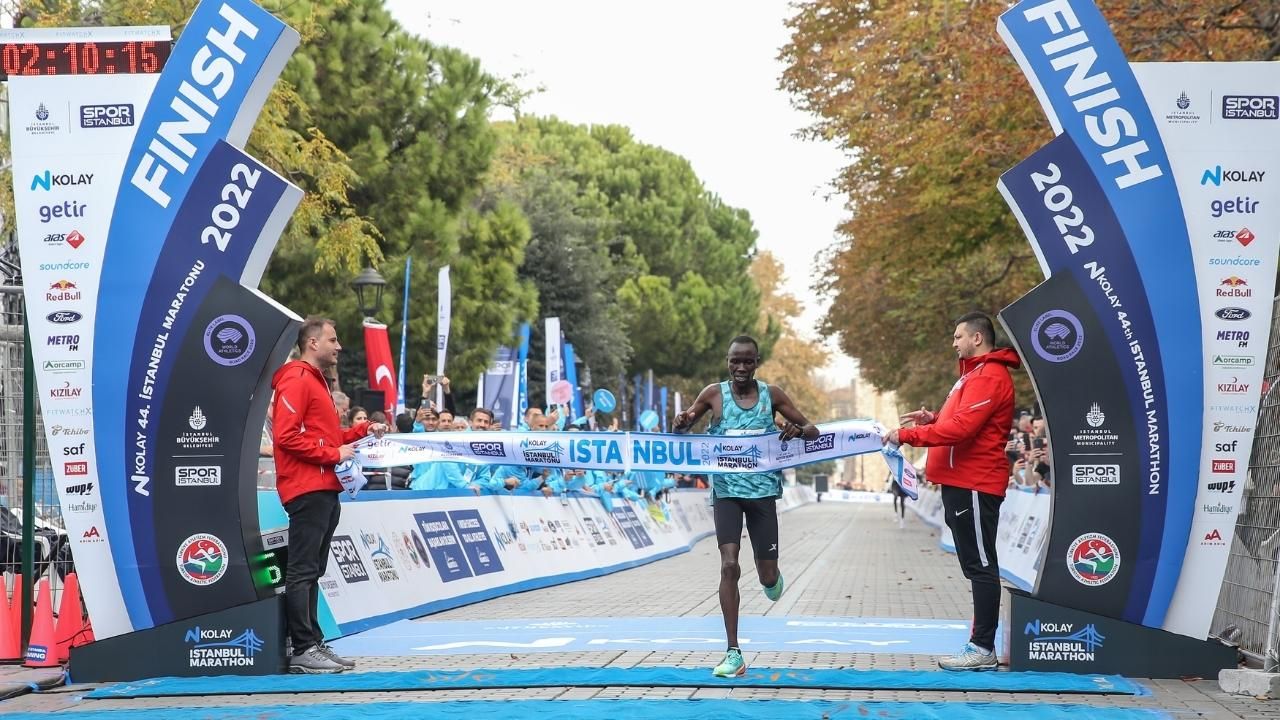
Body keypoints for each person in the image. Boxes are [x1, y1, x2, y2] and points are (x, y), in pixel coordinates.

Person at [672, 335, 818, 678]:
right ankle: (733, 652)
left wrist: (798, 430)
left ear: (757, 362)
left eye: (747, 361)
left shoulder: (773, 395)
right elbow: (682, 429)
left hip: (763, 494)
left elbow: (812, 430)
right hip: (726, 493)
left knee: (767, 574)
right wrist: (680, 422)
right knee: (729, 566)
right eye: (735, 361)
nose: (740, 368)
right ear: (727, 362)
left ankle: (772, 578)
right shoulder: (713, 394)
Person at [884, 312, 1020, 671]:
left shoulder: (989, 376)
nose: (954, 342)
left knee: (981, 565)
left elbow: (962, 430)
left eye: (958, 336)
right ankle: (980, 644)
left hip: (975, 483)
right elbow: (956, 423)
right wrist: (932, 421)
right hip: (960, 483)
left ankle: (982, 648)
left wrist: (907, 435)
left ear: (978, 338)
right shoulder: (971, 376)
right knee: (975, 564)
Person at [272, 317, 390, 674]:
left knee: (313, 570)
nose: (339, 347)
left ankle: (313, 643)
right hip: (306, 487)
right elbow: (285, 436)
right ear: (312, 343)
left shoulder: (315, 382)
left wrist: (362, 430)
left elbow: (328, 435)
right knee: (303, 570)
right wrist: (332, 454)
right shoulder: (296, 379)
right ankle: (304, 648)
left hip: (323, 487)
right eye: (333, 340)